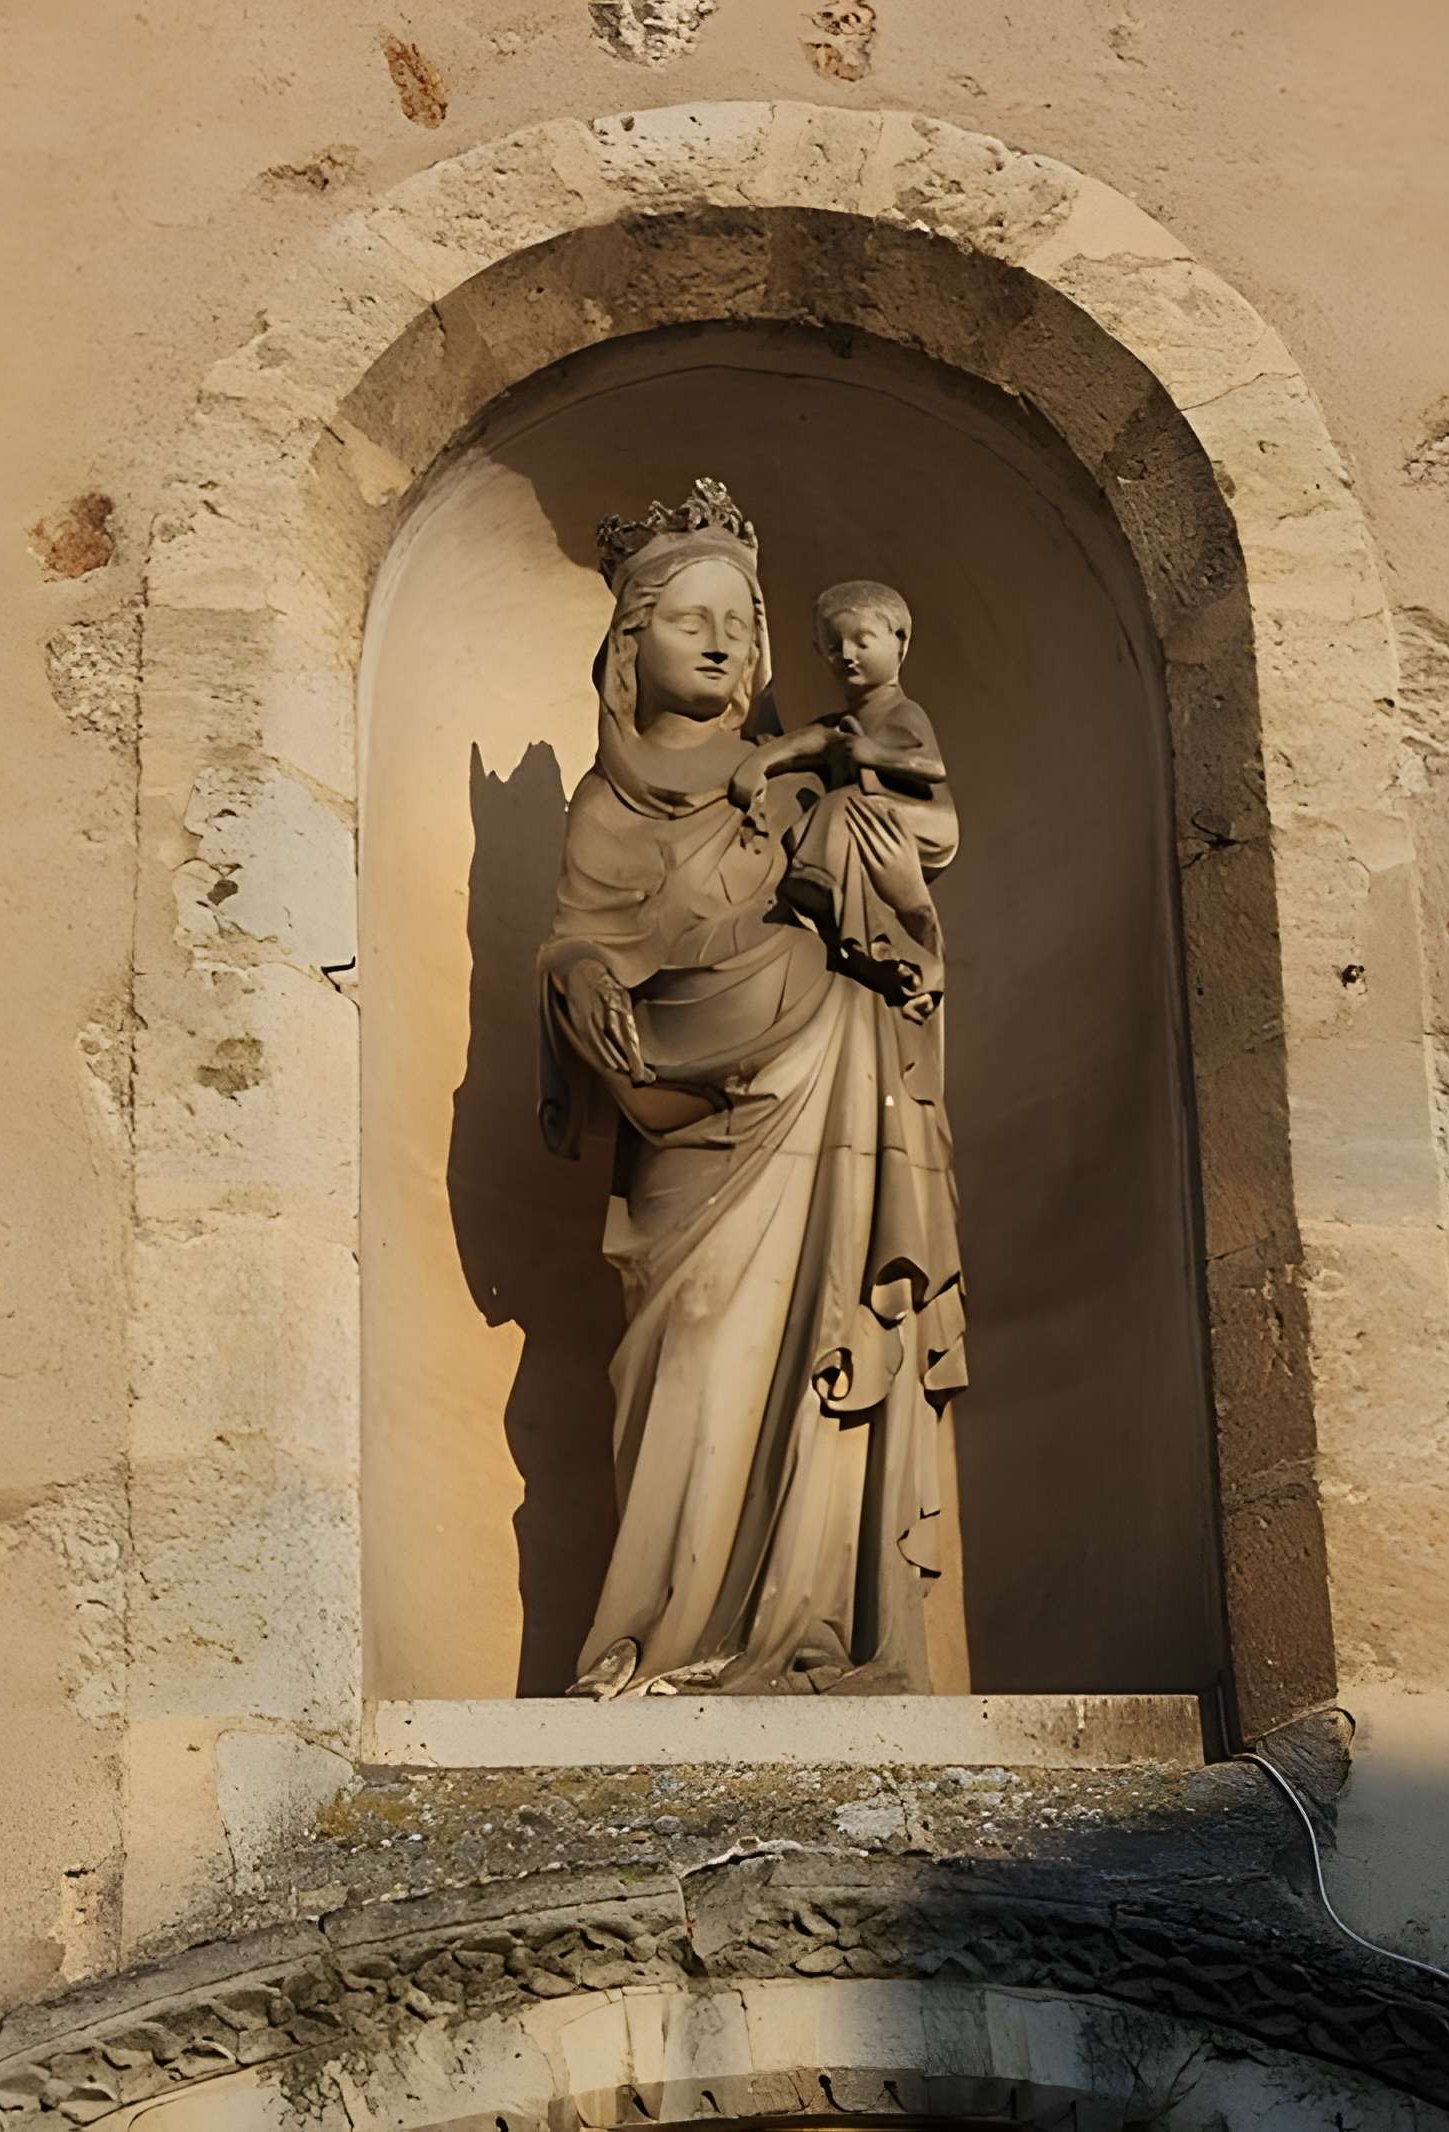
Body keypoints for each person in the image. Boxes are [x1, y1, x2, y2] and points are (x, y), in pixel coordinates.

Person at [538, 483, 970, 1699]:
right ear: (631, 645)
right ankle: (659, 1634)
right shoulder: (602, 800)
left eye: (737, 620)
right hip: (683, 1124)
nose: (720, 642)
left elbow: (905, 893)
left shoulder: (797, 782)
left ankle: (806, 1624)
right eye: (688, 619)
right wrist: (576, 981)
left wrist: (864, 862)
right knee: (689, 1350)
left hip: (822, 1089)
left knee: (823, 1347)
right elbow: (583, 935)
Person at [724, 580, 952, 1018]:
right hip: (875, 818)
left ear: (900, 644)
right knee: (811, 806)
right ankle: (848, 926)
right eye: (833, 646)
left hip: (928, 822)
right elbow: (790, 738)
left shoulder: (903, 712)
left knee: (840, 806)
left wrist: (870, 752)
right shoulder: (841, 722)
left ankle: (829, 894)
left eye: (861, 642)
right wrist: (761, 763)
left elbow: (930, 764)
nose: (846, 655)